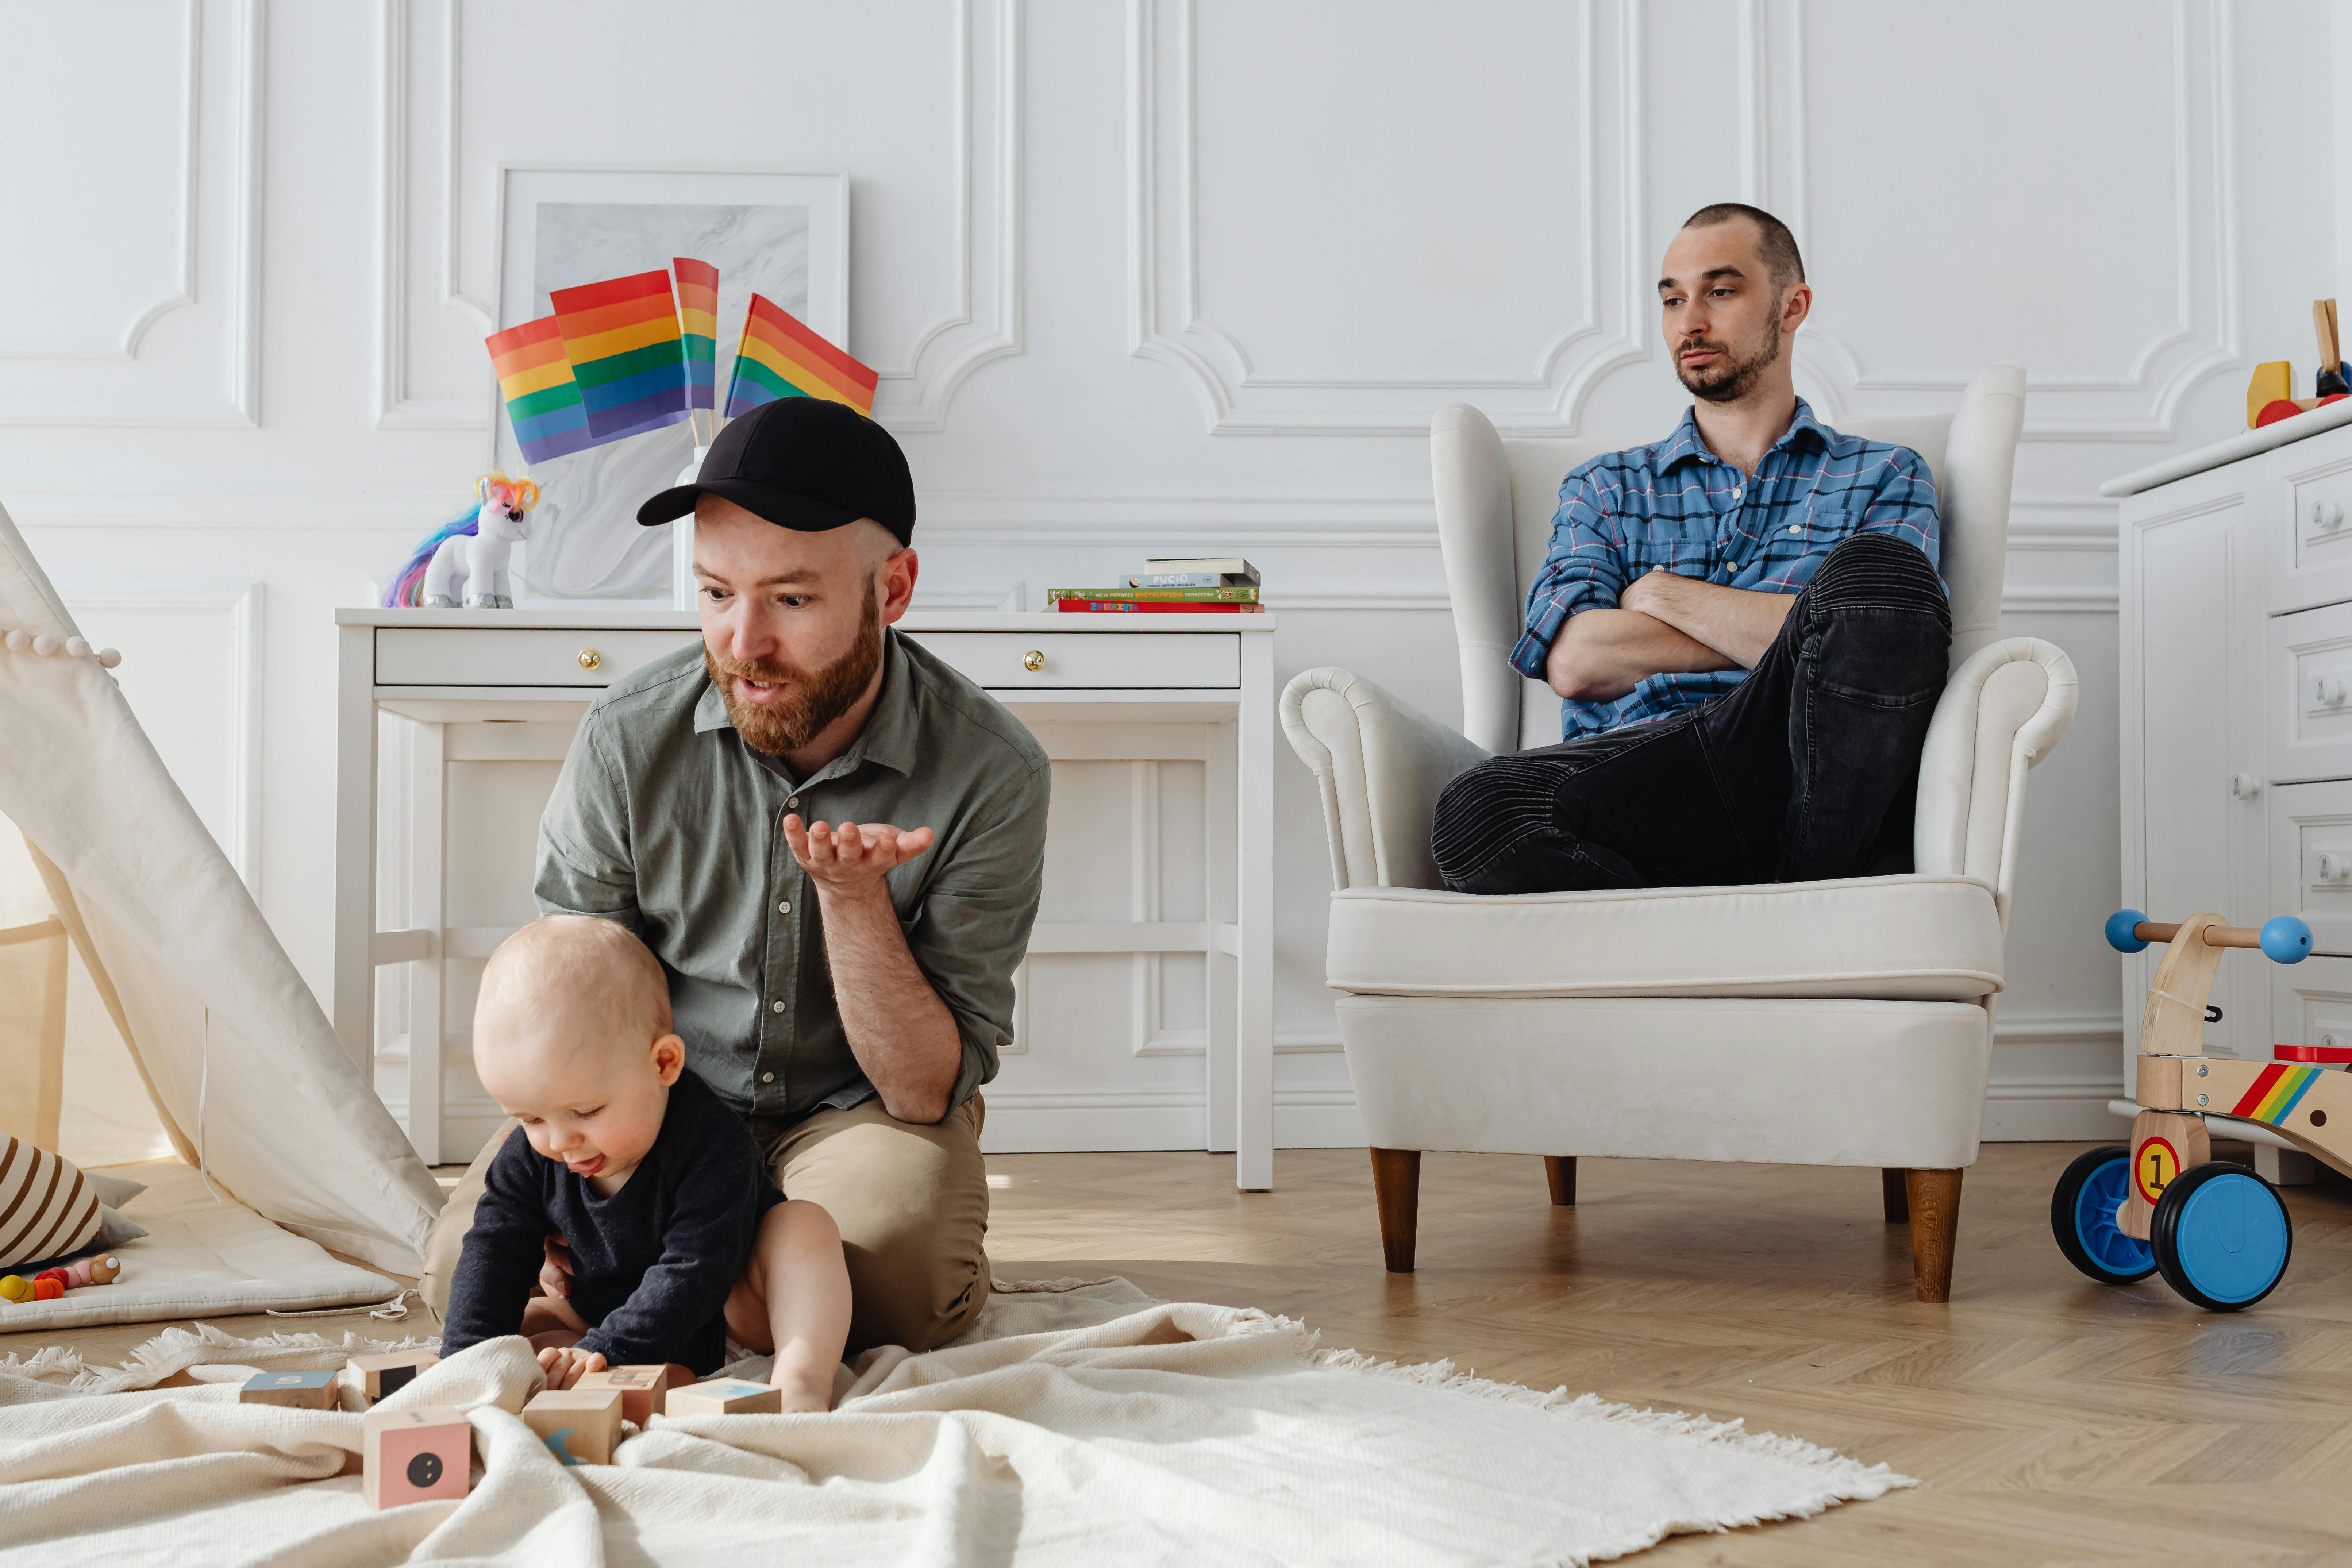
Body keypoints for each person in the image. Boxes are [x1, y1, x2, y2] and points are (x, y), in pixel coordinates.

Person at [421, 397, 1050, 1356]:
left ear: (893, 587)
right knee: (458, 1273)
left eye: (790, 601)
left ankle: (667, 1279)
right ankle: (728, 1279)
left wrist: (854, 905)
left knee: (900, 1286)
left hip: (857, 1114)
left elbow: (922, 1090)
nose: (743, 642)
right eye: (716, 593)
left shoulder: (991, 770)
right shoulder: (628, 735)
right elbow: (574, 997)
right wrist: (576, 1180)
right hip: (655, 1115)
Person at [1430, 202, 1951, 895]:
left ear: (1792, 307)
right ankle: (1759, 927)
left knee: (1881, 579)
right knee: (1478, 812)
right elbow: (1579, 661)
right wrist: (1806, 636)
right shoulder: (1606, 488)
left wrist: (1663, 595)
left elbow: (1890, 639)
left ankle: (1806, 890)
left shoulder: (1883, 474)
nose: (1689, 322)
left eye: (1720, 291)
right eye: (1672, 299)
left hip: (1819, 783)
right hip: (1647, 773)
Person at [440, 917, 850, 1412]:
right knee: (520, 1327)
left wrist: (608, 1349)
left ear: (663, 1064)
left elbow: (697, 1269)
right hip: (605, 1311)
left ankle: (801, 1378)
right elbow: (494, 1250)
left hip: (728, 1309)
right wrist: (465, 1362)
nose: (559, 1140)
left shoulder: (712, 1141)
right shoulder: (533, 1153)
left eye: (587, 1111)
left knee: (804, 1227)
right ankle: (644, 1380)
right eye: (530, 1117)